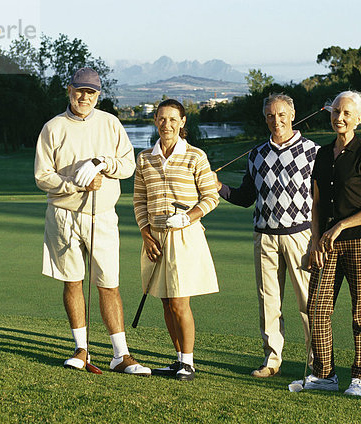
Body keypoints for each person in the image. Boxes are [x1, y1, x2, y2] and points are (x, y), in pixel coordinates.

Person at [35, 67, 150, 376]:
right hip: (63, 214)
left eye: (91, 92)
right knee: (73, 281)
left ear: (98, 95)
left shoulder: (110, 123)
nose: (84, 97)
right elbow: (42, 176)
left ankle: (120, 354)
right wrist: (75, 183)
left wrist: (103, 164)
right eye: (79, 90)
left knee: (108, 284)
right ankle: (80, 349)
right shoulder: (53, 127)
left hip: (102, 215)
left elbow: (127, 165)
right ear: (69, 90)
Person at [214, 93, 319, 378]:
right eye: (270, 116)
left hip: (301, 236)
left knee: (308, 303)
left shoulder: (313, 152)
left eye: (281, 114)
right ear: (265, 119)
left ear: (293, 115)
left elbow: (323, 200)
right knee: (268, 302)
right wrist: (218, 187)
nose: (276, 120)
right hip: (264, 237)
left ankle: (317, 363)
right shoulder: (257, 154)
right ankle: (272, 360)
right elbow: (246, 197)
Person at [290, 90, 361, 396]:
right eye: (335, 112)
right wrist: (315, 240)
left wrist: (342, 225)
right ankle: (324, 374)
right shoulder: (321, 154)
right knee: (317, 308)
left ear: (359, 118)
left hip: (359, 242)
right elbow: (316, 204)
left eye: (346, 113)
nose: (339, 118)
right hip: (326, 244)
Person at [133, 99, 219, 381]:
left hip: (184, 236)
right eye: (161, 119)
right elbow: (139, 200)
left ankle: (188, 362)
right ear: (155, 120)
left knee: (180, 302)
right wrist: (146, 233)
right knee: (166, 302)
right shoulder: (145, 158)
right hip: (155, 238)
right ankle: (178, 358)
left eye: (173, 120)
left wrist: (188, 216)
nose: (166, 124)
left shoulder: (195, 156)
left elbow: (211, 197)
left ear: (183, 123)